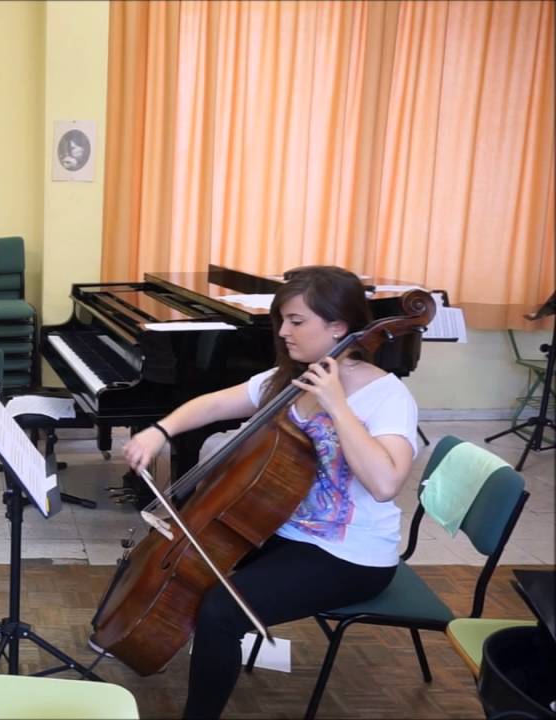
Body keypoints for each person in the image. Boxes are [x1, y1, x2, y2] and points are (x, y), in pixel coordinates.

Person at [120, 266, 419, 719]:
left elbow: (384, 483)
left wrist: (337, 405)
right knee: (194, 570)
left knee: (221, 609)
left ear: (338, 327)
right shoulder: (290, 380)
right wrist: (159, 431)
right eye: (282, 319)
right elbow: (217, 402)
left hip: (349, 555)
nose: (283, 332)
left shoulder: (387, 396)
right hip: (282, 530)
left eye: (297, 321)